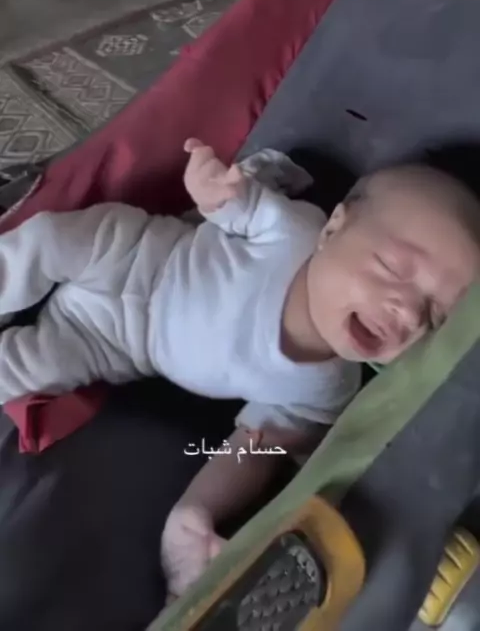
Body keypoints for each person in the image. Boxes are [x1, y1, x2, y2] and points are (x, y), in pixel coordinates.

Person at [0, 140, 478, 597]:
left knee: (29, 368)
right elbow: (233, 203)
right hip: (130, 255)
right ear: (334, 229)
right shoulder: (295, 231)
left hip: (113, 344)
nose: (406, 311)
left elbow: (255, 446)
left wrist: (194, 513)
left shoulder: (328, 389)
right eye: (392, 269)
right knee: (47, 241)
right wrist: (215, 186)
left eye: (435, 315)